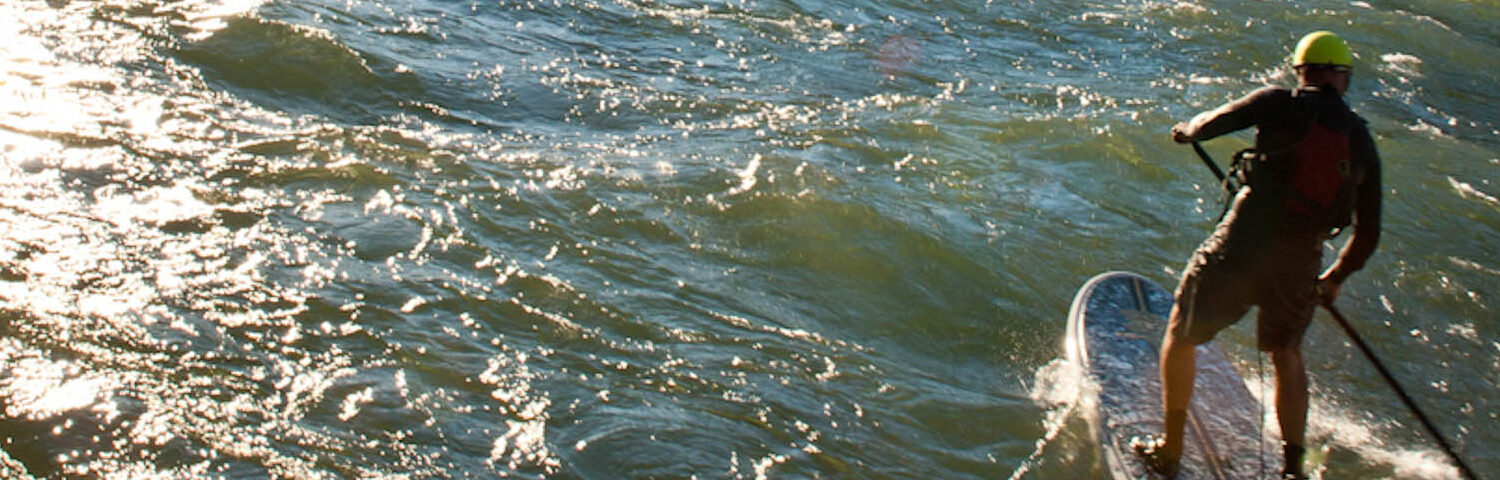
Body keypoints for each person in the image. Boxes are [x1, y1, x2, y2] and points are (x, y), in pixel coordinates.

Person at [1134, 31, 1383, 479]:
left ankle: (1170, 450)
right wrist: (1333, 279)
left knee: (1182, 332)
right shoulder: (1360, 139)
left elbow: (1207, 126)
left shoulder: (1277, 102)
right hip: (1301, 261)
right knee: (1286, 352)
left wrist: (1186, 131)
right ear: (1342, 77)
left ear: (1301, 71)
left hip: (1241, 246)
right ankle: (1293, 468)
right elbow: (1367, 235)